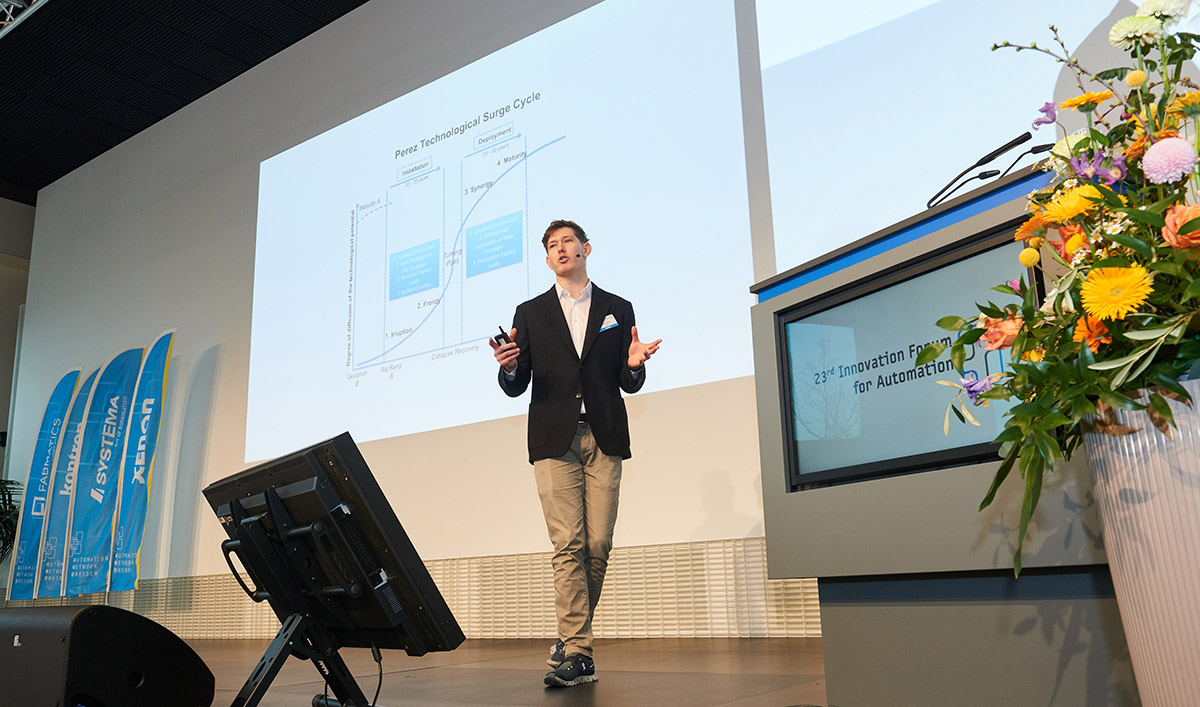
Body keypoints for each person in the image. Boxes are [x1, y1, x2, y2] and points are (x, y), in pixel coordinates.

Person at [489, 219, 660, 688]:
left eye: (568, 241)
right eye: (552, 245)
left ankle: (569, 637)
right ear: (547, 259)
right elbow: (517, 383)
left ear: (586, 248)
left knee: (597, 545)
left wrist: (634, 365)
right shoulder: (530, 312)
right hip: (554, 438)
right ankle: (580, 651)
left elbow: (627, 380)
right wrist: (509, 368)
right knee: (568, 544)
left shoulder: (617, 307)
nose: (561, 249)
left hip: (604, 434)